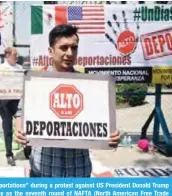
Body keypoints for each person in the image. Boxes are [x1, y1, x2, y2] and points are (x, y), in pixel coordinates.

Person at [14, 24, 121, 177]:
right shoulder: (36, 82)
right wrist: (19, 130)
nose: (69, 53)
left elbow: (102, 123)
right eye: (63, 48)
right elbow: (20, 112)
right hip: (44, 169)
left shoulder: (89, 86)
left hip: (78, 170)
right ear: (50, 51)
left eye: (74, 47)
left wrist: (112, 136)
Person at [0, 47, 23, 166]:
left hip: (18, 102)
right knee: (7, 130)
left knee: (22, 128)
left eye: (17, 54)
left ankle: (27, 149)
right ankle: (9, 154)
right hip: (5, 104)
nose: (17, 56)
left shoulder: (20, 69)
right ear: (7, 56)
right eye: (15, 54)